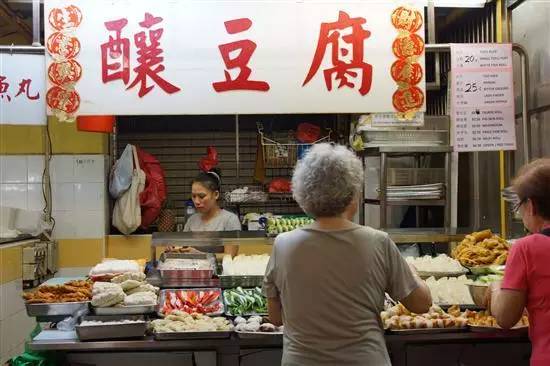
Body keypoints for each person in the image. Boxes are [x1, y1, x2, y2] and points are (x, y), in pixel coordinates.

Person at [263, 143, 432, 366]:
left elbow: (275, 318)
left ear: (303, 193)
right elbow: (421, 304)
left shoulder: (284, 244)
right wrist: (411, 271)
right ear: (352, 193)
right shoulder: (377, 241)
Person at [487, 158, 550, 366]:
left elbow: (506, 317)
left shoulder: (526, 248)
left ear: (530, 205)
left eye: (518, 205)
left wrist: (496, 288)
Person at [179, 169, 240, 256]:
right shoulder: (192, 220)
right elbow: (183, 247)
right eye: (193, 196)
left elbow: (230, 256)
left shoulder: (229, 219)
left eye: (201, 196)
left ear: (215, 195)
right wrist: (175, 248)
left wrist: (199, 254)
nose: (196, 201)